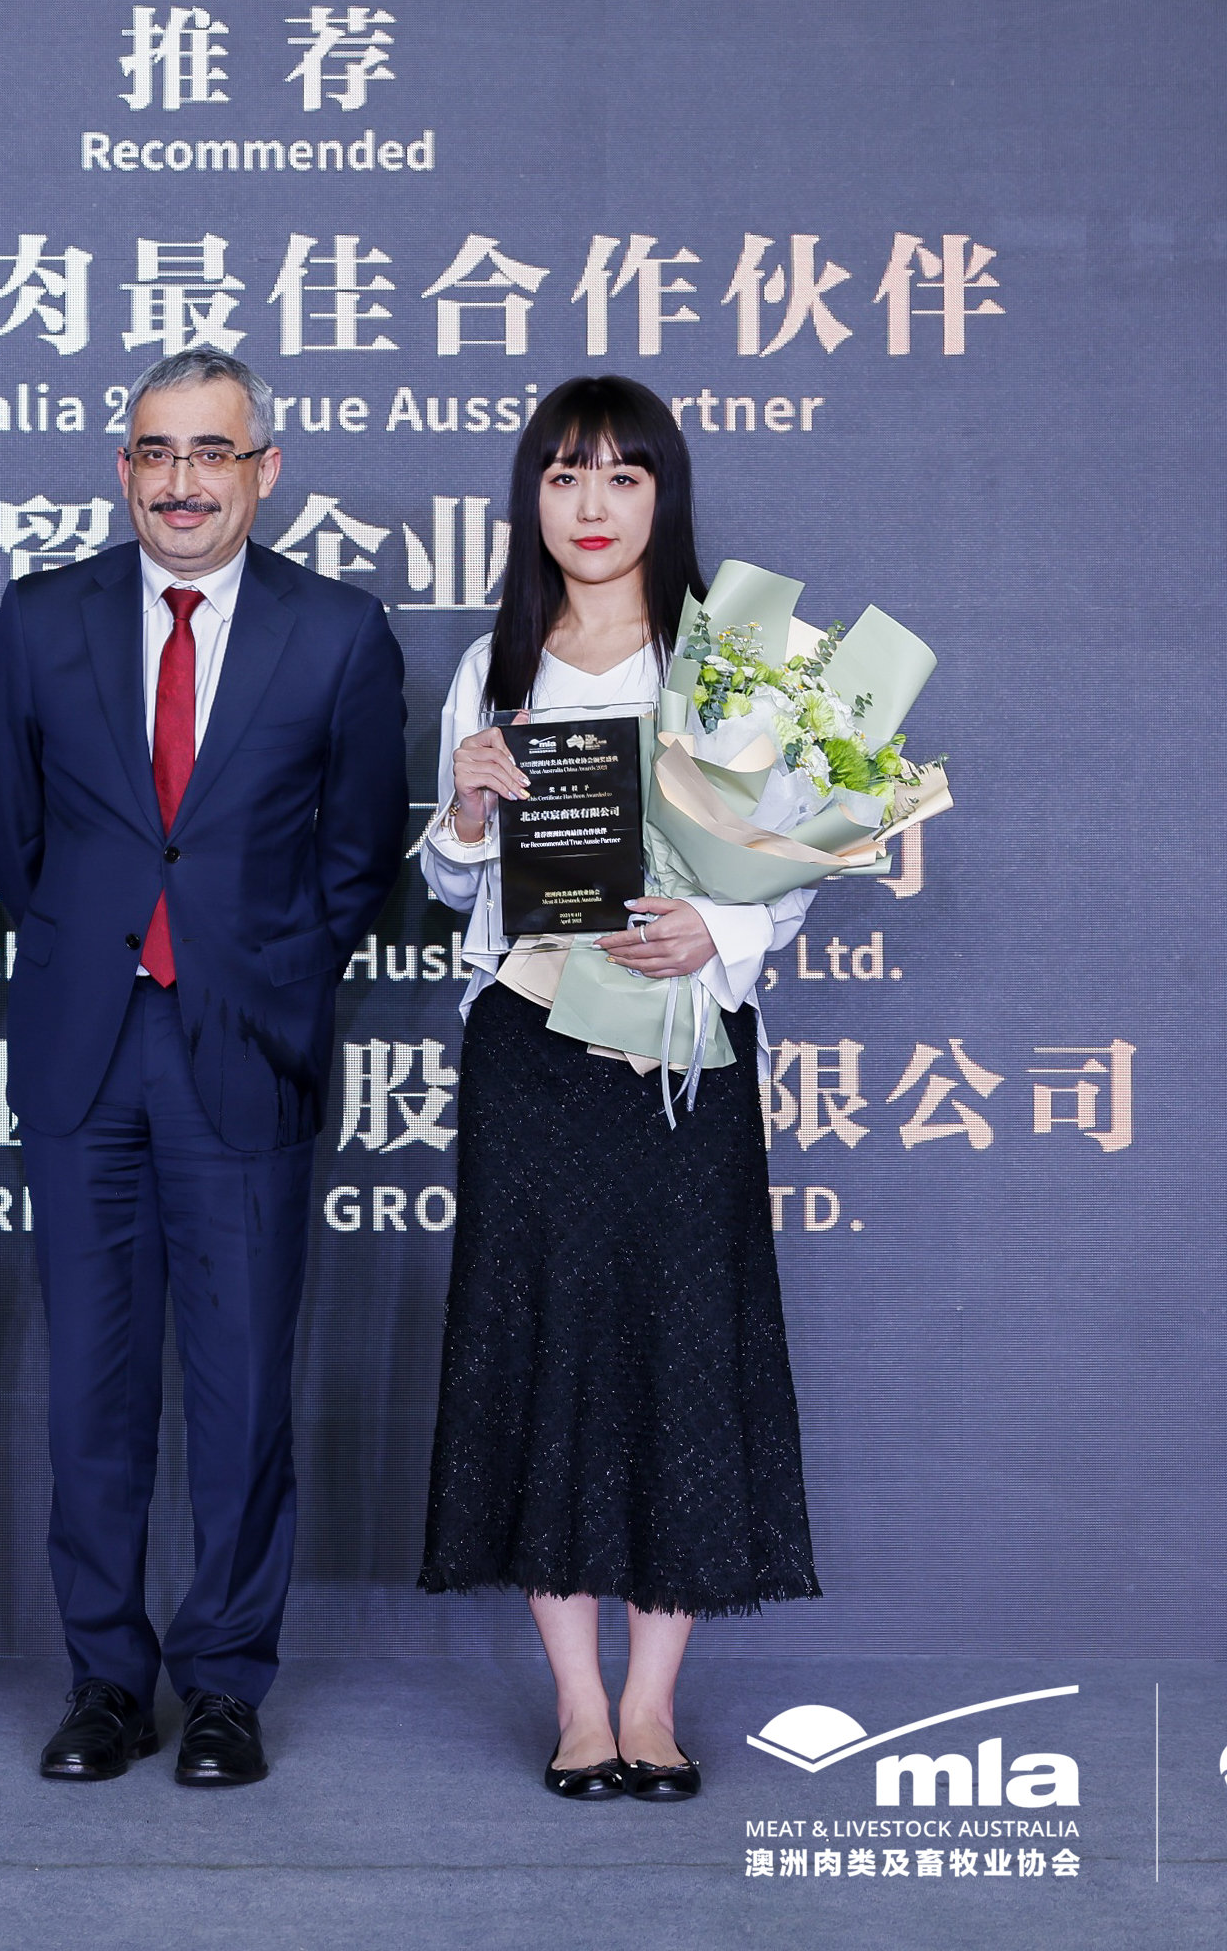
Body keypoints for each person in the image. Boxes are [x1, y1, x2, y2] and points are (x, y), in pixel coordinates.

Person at [0, 349, 409, 1787]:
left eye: (212, 453)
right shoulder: (40, 622)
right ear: (122, 470)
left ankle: (224, 1682)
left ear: (264, 470)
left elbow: (358, 856)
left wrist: (263, 974)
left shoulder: (338, 633)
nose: (181, 482)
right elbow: (14, 845)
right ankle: (106, 1680)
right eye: (156, 452)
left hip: (244, 1052)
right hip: (85, 1053)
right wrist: (104, 947)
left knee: (241, 1392)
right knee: (91, 1393)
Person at [414, 376, 822, 1803]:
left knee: (680, 1356)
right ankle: (579, 1709)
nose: (591, 506)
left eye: (622, 477)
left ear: (665, 495)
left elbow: (795, 863)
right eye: (564, 476)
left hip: (680, 1058)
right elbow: (452, 884)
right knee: (540, 1353)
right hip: (532, 1055)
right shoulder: (497, 668)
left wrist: (722, 930)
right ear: (531, 497)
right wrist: (467, 809)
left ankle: (653, 1703)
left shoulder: (732, 671)